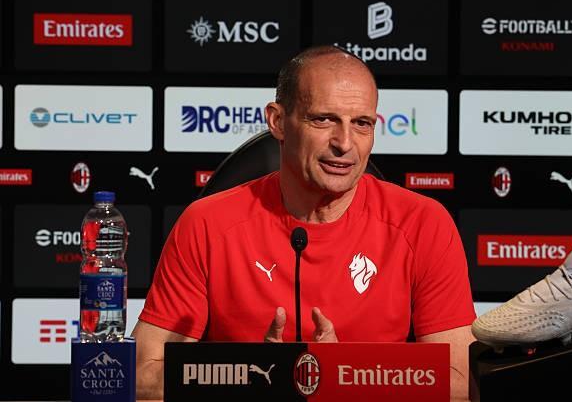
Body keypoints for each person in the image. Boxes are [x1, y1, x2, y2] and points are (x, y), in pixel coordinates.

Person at [132, 45, 476, 401]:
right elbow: (142, 374)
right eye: (323, 120)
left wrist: (341, 374)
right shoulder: (207, 224)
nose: (345, 143)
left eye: (362, 124)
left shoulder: (422, 224)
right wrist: (259, 376)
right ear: (278, 122)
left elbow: (462, 379)